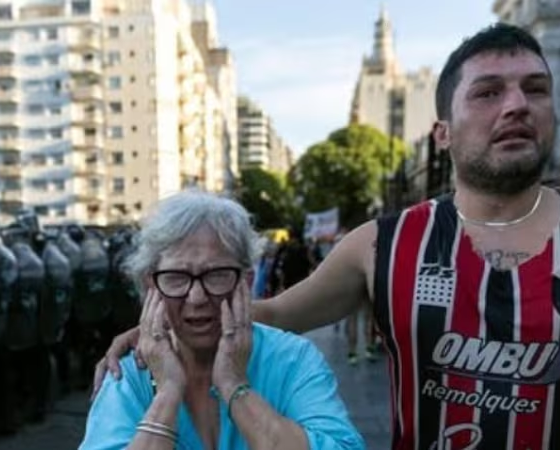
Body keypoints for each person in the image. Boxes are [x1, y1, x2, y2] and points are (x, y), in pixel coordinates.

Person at [94, 24, 560, 449]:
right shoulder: (383, 245)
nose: (515, 105)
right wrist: (160, 324)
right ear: (441, 132)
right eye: (488, 92)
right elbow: (264, 312)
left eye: (535, 89)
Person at [80, 191, 364, 450]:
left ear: (246, 281)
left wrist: (234, 386)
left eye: (216, 275)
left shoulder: (292, 358)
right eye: (176, 278)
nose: (196, 298)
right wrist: (167, 394)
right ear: (151, 286)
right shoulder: (129, 375)